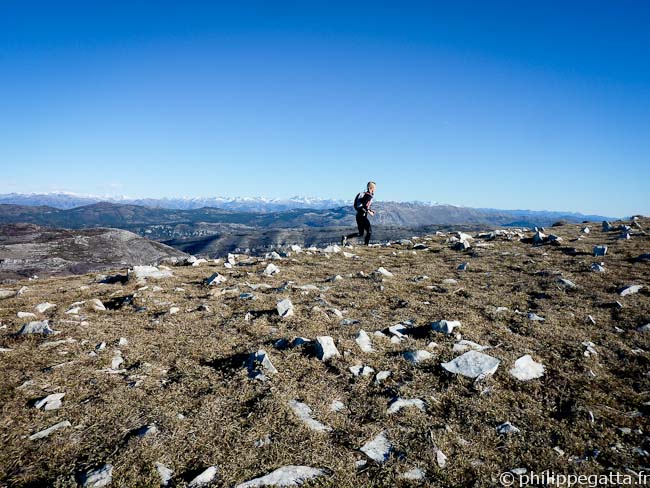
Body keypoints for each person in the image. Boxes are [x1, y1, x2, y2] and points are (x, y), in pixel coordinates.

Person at [342, 181, 376, 246]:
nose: (375, 189)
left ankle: (346, 238)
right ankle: (366, 245)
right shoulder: (368, 196)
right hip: (363, 216)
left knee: (361, 233)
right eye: (374, 188)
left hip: (359, 215)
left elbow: (363, 205)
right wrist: (370, 212)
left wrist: (369, 210)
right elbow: (364, 205)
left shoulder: (365, 194)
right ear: (372, 188)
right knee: (369, 231)